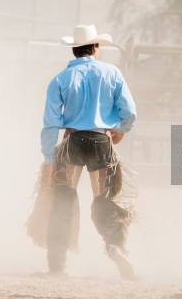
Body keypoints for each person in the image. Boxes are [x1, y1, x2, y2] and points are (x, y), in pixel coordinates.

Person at [27, 24, 137, 279]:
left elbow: (51, 122)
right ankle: (115, 246)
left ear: (74, 50)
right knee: (105, 199)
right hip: (102, 141)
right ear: (96, 48)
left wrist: (49, 158)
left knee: (63, 200)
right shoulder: (112, 73)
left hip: (73, 141)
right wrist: (121, 130)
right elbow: (130, 112)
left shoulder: (61, 79)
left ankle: (57, 265)